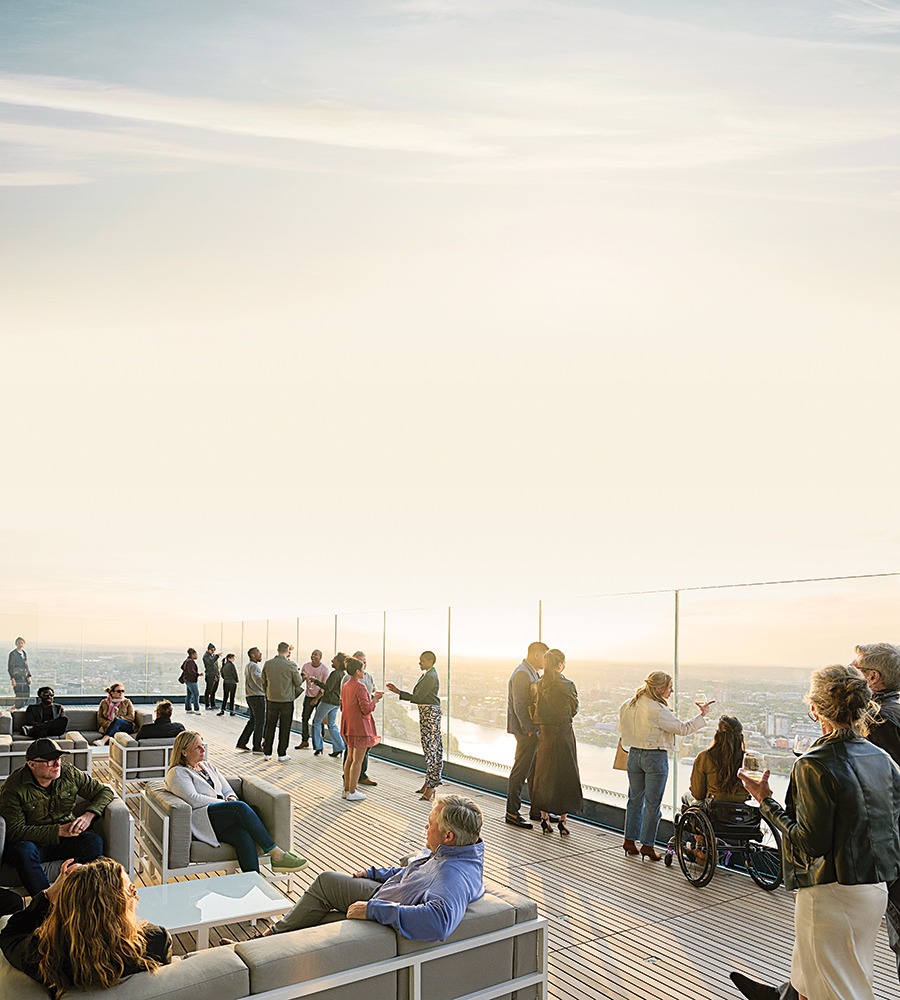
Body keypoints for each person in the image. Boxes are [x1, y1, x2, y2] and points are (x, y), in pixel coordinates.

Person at [731, 644, 900, 1000]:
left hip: (830, 891)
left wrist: (766, 801)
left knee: (838, 991)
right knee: (832, 982)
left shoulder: (813, 763)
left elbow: (810, 843)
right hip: (873, 890)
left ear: (814, 708)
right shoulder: (881, 758)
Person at [255, 794, 484, 941]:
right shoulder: (453, 853)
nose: (425, 826)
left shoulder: (452, 875)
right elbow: (414, 871)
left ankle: (262, 946)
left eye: (431, 824)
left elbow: (439, 922)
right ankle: (268, 939)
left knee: (315, 919)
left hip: (383, 913)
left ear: (448, 835)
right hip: (385, 892)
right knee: (326, 881)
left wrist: (373, 910)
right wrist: (375, 873)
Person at [0, 857, 171, 996]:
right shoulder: (156, 942)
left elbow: (10, 935)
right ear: (116, 908)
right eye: (132, 890)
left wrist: (49, 894)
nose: (136, 896)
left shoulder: (46, 957)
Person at [164, 730, 308, 874]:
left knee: (242, 834)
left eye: (203, 745)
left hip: (221, 818)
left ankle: (253, 880)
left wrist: (231, 798)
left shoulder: (207, 766)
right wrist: (225, 803)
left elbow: (227, 788)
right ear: (184, 752)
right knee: (240, 809)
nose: (203, 749)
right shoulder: (178, 773)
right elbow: (193, 799)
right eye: (197, 747)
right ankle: (276, 854)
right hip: (203, 820)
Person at [0, 738, 114, 895]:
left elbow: (104, 791)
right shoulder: (13, 787)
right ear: (31, 764)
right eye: (50, 761)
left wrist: (88, 815)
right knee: (23, 851)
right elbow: (14, 831)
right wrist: (58, 831)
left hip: (64, 841)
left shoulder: (69, 773)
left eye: (59, 759)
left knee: (93, 842)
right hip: (33, 843)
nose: (57, 764)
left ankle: (78, 895)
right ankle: (47, 904)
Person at [619, 671, 710, 860]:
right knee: (653, 805)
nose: (672, 691)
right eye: (669, 688)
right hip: (654, 757)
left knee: (634, 800)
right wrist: (702, 715)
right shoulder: (658, 710)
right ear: (659, 688)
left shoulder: (628, 704)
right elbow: (683, 729)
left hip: (634, 755)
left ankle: (629, 841)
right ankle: (647, 845)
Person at [529, 648, 582, 836]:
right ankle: (562, 821)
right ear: (560, 664)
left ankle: (544, 819)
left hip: (545, 735)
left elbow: (532, 710)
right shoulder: (567, 685)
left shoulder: (536, 685)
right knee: (566, 775)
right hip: (564, 734)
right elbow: (574, 709)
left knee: (544, 775)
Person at [387, 650, 443, 801]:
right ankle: (429, 782)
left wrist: (398, 692)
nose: (419, 663)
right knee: (429, 747)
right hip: (427, 713)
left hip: (429, 714)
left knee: (431, 748)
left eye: (422, 661)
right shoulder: (428, 674)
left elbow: (418, 697)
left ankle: (431, 786)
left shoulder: (430, 676)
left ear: (430, 661)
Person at [505, 641, 548, 828]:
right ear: (537, 655)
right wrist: (530, 730)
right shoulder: (523, 673)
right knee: (520, 770)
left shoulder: (530, 671)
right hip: (525, 731)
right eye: (545, 657)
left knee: (533, 770)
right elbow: (520, 705)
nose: (546, 662)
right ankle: (512, 813)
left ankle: (536, 810)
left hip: (529, 730)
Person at [340, 656, 382, 801]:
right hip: (360, 728)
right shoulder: (360, 687)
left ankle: (346, 789)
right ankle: (352, 791)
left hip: (349, 726)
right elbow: (366, 709)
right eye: (362, 668)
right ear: (357, 671)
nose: (364, 671)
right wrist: (375, 699)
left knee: (350, 759)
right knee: (358, 761)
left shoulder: (346, 686)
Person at [689, 715, 749, 803]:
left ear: (717, 735)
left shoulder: (705, 757)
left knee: (686, 797)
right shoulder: (748, 760)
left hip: (714, 809)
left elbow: (698, 794)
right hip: (744, 810)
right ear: (740, 737)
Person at [261, 641, 304, 762]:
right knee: (285, 727)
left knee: (270, 726)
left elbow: (263, 682)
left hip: (271, 699)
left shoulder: (268, 664)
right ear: (288, 651)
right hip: (286, 701)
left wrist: (268, 693)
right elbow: (298, 682)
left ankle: (267, 752)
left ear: (277, 649)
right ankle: (282, 753)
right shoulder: (291, 665)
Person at [310, 652, 347, 758]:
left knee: (316, 721)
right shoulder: (342, 675)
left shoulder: (335, 673)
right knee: (331, 724)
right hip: (336, 702)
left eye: (334, 659)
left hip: (328, 701)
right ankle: (339, 747)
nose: (332, 661)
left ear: (339, 663)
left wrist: (316, 681)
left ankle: (318, 746)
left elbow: (328, 688)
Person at [295, 649, 328, 749]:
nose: (313, 656)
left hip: (320, 697)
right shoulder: (306, 666)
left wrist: (316, 699)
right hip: (308, 696)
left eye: (316, 655)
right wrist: (302, 677)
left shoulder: (325, 670)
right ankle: (304, 740)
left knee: (319, 720)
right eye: (312, 654)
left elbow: (324, 687)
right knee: (305, 718)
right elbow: (300, 681)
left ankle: (319, 741)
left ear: (320, 657)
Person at [236, 646, 266, 753]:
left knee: (253, 720)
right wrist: (267, 678)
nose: (260, 654)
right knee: (260, 721)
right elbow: (258, 680)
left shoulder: (248, 666)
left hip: (250, 696)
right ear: (252, 655)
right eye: (258, 652)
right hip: (257, 696)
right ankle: (257, 745)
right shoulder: (254, 666)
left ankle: (242, 742)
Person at [8, 636, 31, 708]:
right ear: (16, 644)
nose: (20, 644)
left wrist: (29, 676)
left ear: (24, 644)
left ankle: (16, 708)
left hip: (25, 677)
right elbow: (10, 667)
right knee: (19, 695)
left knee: (26, 694)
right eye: (18, 643)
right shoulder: (13, 654)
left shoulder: (24, 653)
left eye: (22, 643)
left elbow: (26, 666)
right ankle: (16, 710)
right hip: (17, 677)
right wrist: (12, 678)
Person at [180, 647, 201, 714]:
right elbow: (191, 671)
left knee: (189, 695)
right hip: (191, 680)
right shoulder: (190, 662)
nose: (197, 656)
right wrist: (198, 674)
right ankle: (196, 709)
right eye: (196, 654)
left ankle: (188, 708)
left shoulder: (187, 660)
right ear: (193, 654)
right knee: (196, 694)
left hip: (187, 680)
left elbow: (182, 667)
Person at [203, 643, 220, 711]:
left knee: (213, 691)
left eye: (214, 650)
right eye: (212, 650)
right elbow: (210, 662)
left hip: (215, 675)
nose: (213, 651)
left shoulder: (212, 656)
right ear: (208, 650)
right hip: (210, 675)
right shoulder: (206, 656)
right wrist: (216, 656)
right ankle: (207, 705)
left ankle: (213, 704)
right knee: (208, 690)